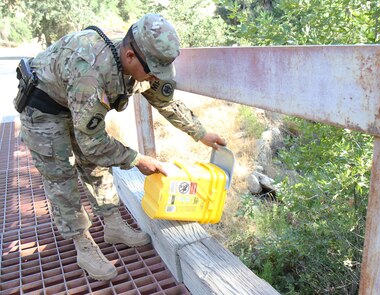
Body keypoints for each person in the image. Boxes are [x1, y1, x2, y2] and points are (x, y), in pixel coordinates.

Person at [17, 13, 226, 281]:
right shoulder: (91, 73)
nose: (154, 78)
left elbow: (165, 101)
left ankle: (113, 225)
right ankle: (83, 245)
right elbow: (92, 144)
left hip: (77, 104)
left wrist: (202, 133)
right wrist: (138, 159)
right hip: (44, 106)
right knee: (61, 176)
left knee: (96, 166)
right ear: (129, 56)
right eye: (152, 72)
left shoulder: (140, 60)